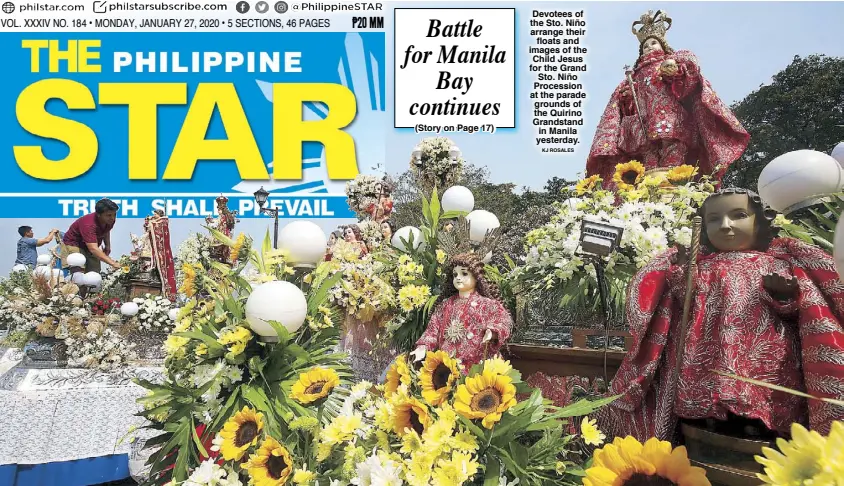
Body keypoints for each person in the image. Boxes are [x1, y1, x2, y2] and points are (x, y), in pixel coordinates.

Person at [598, 188, 844, 443]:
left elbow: (798, 314)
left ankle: (756, 422)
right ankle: (705, 420)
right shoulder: (703, 265)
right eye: (714, 219)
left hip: (760, 348)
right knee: (705, 390)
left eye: (738, 215)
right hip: (706, 346)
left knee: (759, 390)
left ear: (760, 219)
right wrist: (682, 274)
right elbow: (684, 301)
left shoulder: (777, 264)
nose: (725, 226)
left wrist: (784, 297)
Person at [586, 10, 749, 187]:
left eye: (654, 43)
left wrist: (675, 70)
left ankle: (673, 192)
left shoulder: (673, 60)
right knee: (648, 162)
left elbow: (689, 76)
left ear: (663, 45)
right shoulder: (633, 76)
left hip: (671, 120)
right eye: (645, 45)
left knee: (674, 156)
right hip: (642, 126)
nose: (649, 47)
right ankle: (651, 192)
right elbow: (626, 106)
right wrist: (626, 98)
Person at [412, 252, 513, 370]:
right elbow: (432, 331)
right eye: (455, 275)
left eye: (464, 273)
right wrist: (423, 347)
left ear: (476, 277)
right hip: (448, 368)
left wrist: (492, 331)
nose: (458, 278)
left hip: (479, 368)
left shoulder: (487, 305)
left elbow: (503, 320)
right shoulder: (445, 305)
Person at [61, 198, 121, 272]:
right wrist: (113, 263)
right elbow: (93, 248)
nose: (112, 218)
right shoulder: (89, 224)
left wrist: (107, 246)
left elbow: (106, 231)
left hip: (90, 246)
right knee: (78, 271)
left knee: (94, 273)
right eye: (109, 215)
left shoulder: (110, 220)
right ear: (99, 214)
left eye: (114, 214)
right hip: (74, 244)